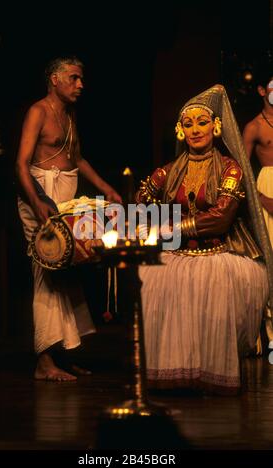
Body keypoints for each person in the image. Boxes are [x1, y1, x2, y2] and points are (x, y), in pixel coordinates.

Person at [136, 84, 273, 395]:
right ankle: (177, 375)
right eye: (188, 124)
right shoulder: (169, 171)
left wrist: (172, 227)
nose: (196, 130)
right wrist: (160, 220)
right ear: (180, 130)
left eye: (202, 123)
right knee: (156, 291)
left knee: (212, 308)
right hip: (176, 256)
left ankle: (209, 376)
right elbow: (142, 199)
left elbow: (220, 217)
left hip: (216, 256)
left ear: (216, 126)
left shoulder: (230, 168)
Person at [16, 56, 122, 381]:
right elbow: (20, 163)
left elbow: (75, 157)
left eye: (81, 79)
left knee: (66, 272)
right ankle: (44, 362)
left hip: (66, 198)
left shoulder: (69, 114)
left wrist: (108, 189)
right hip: (41, 197)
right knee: (45, 271)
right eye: (74, 78)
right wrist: (36, 202)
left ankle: (63, 354)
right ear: (55, 79)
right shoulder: (38, 111)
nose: (81, 85)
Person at [243, 71, 273, 349]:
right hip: (267, 189)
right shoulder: (254, 127)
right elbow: (241, 169)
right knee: (268, 261)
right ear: (263, 91)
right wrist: (261, 198)